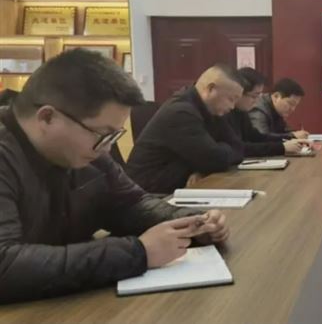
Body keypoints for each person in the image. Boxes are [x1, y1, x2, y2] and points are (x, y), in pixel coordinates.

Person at [0, 50, 229, 304]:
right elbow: (5, 266)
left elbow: (130, 203)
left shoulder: (88, 153)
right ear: (47, 117)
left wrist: (191, 222)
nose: (107, 149)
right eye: (103, 134)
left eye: (115, 136)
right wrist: (137, 252)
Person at [127, 64, 246, 194]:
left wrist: (202, 167)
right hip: (150, 193)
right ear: (211, 89)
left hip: (178, 186)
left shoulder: (212, 110)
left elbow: (238, 148)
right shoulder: (180, 112)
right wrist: (206, 163)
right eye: (231, 99)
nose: (232, 107)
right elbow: (214, 160)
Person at [227, 68, 308, 157]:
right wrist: (282, 147)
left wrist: (291, 138)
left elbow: (257, 137)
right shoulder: (225, 113)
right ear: (239, 92)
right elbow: (239, 148)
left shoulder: (242, 112)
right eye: (254, 96)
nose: (257, 101)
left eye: (259, 95)